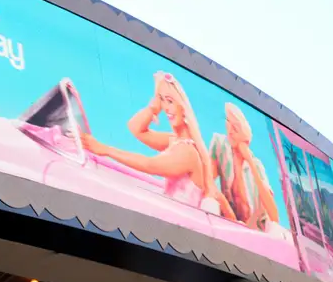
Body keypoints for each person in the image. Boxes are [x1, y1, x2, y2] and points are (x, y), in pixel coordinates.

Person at [80, 71, 232, 217]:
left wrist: (105, 149)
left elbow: (149, 165)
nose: (166, 107)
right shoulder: (175, 140)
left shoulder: (187, 152)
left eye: (170, 101)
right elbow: (135, 128)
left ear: (183, 107)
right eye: (162, 99)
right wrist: (152, 108)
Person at [209, 103, 281, 230]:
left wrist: (250, 162)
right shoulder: (220, 145)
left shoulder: (256, 166)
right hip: (228, 223)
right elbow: (208, 180)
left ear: (245, 139)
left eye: (235, 128)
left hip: (253, 230)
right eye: (228, 123)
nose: (230, 131)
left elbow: (274, 216)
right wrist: (224, 205)